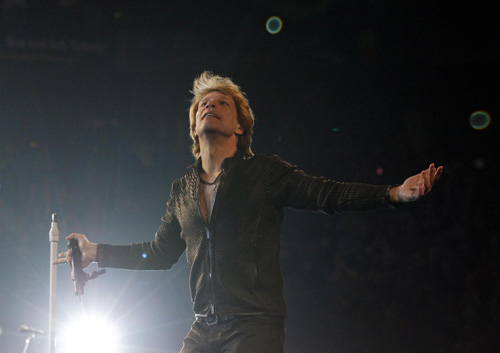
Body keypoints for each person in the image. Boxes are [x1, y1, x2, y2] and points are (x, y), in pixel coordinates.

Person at [54, 71, 443, 353]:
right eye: (205, 103)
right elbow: (158, 254)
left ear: (240, 127)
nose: (211, 104)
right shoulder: (183, 189)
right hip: (203, 328)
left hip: (254, 326)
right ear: (194, 128)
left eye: (223, 103)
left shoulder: (265, 173)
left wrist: (393, 193)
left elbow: (327, 193)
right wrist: (94, 251)